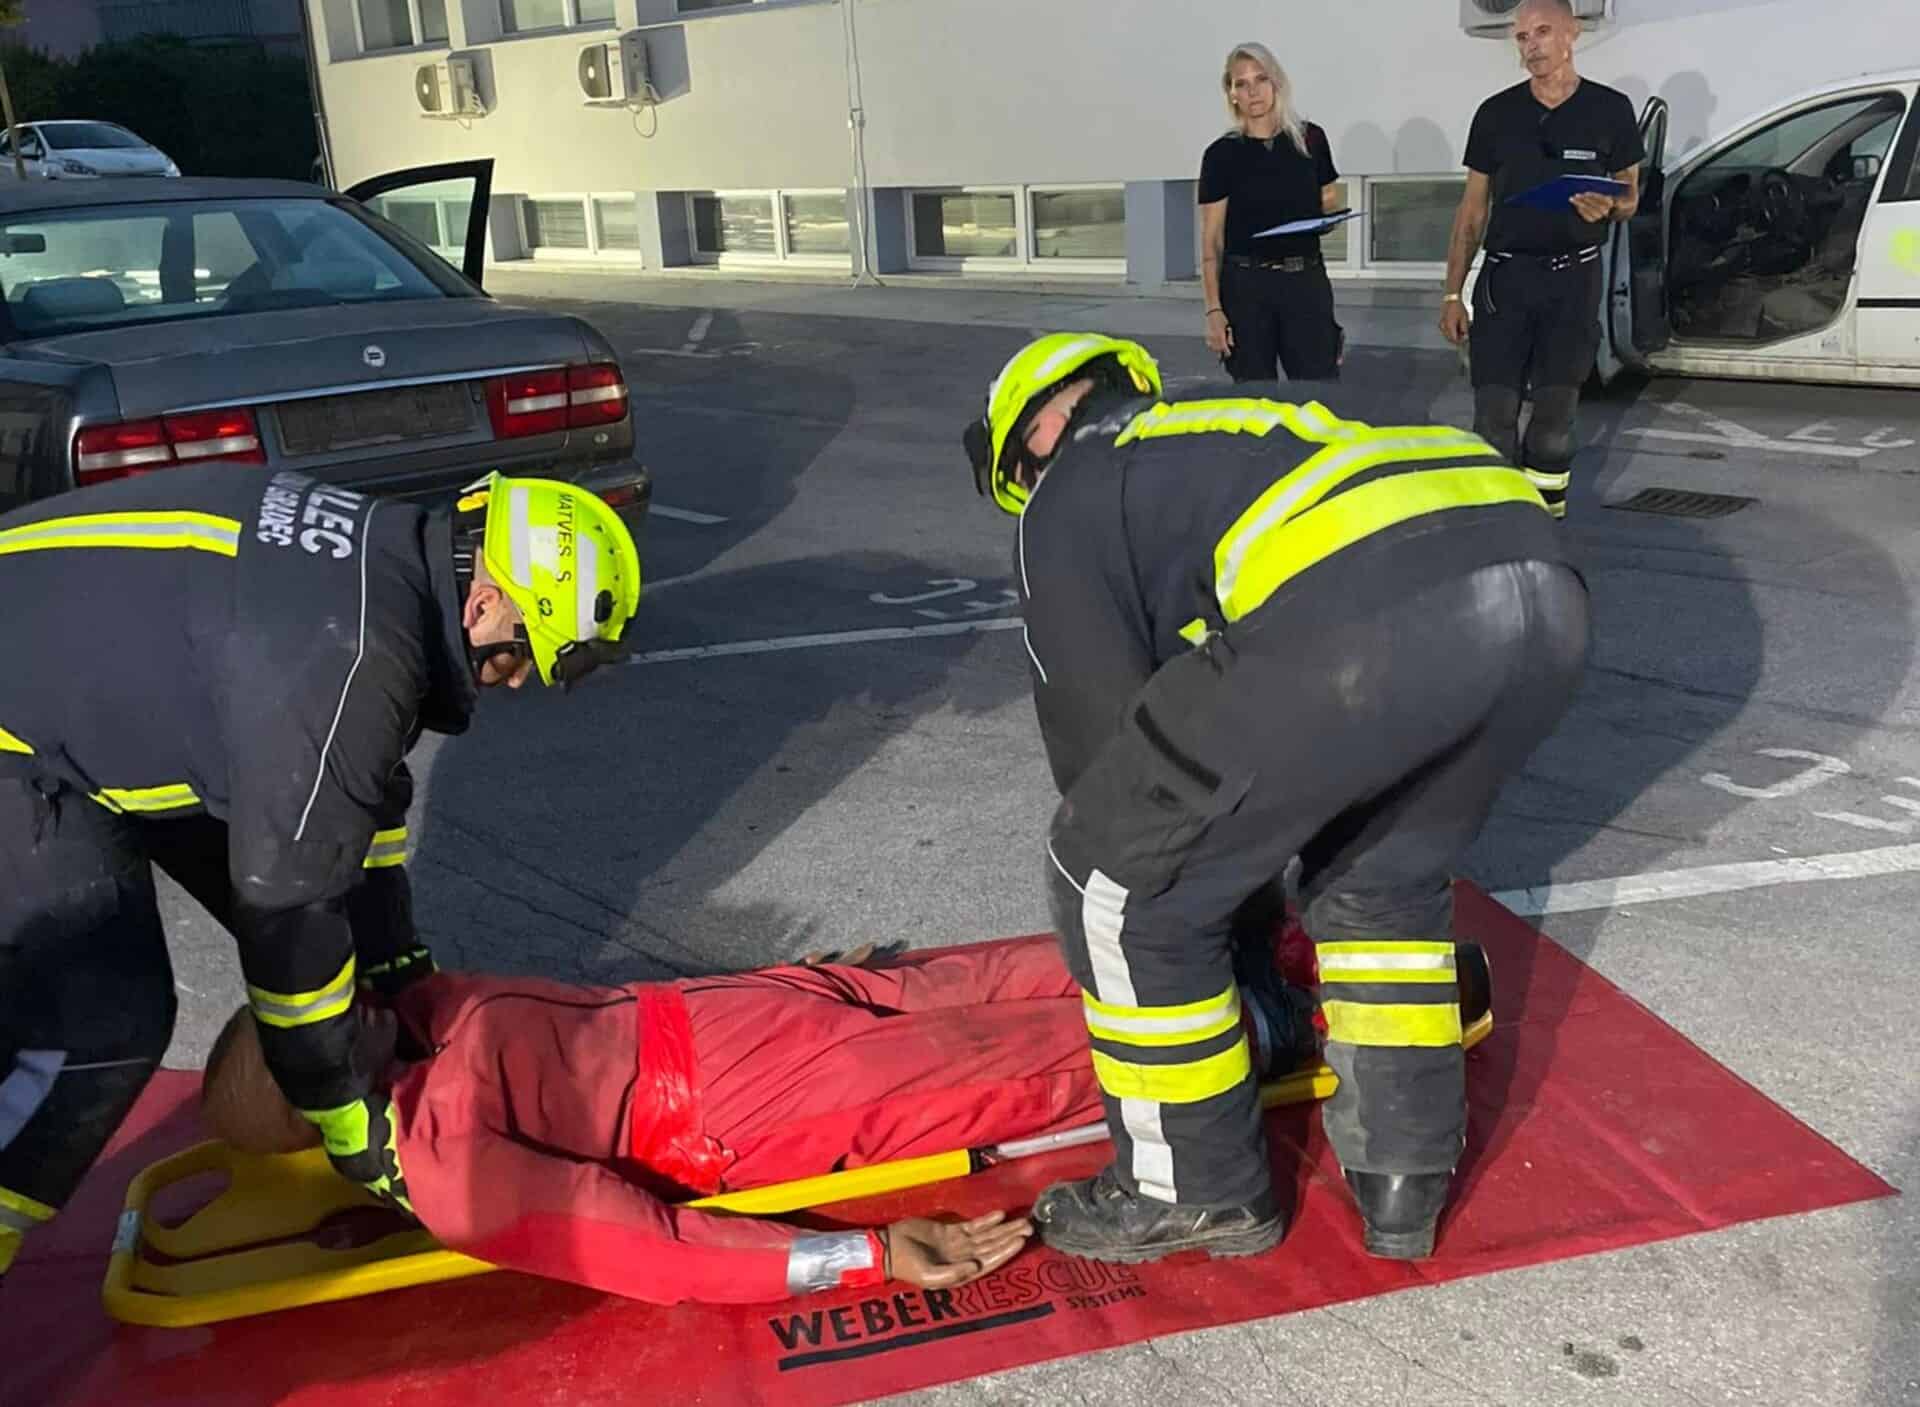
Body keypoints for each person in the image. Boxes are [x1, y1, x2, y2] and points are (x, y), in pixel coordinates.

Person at [960, 332, 1587, 1264]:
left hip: (1376, 596)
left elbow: (1105, 741)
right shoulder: (1220, 436)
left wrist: (1221, 917)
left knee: (1114, 879)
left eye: (1020, 466)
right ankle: (1405, 1181)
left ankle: (1191, 1186)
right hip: (1535, 567)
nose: (1026, 484)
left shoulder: (1070, 490)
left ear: (1044, 425)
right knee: (1383, 879)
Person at [0, 464, 641, 1281]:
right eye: (517, 660)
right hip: (15, 726)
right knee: (102, 1021)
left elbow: (351, 804)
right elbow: (288, 905)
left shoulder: (385, 567)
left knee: (319, 929)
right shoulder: (354, 657)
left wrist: (397, 966)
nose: (513, 682)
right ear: (483, 606)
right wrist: (351, 1125)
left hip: (61, 677)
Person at [199, 935, 1334, 1305]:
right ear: (320, 1109)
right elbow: (651, 1248)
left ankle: (1250, 945)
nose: (345, 1007)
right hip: (747, 1105)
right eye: (323, 1032)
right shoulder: (449, 1166)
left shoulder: (412, 1015)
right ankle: (1285, 1020)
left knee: (1024, 964)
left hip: (740, 1008)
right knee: (1020, 1062)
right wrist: (869, 1252)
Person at [1440, 0, 1645, 520]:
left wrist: (1612, 206)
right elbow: (1471, 212)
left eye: (1542, 32)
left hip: (1573, 280)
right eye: (1522, 36)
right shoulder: (1495, 114)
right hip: (1505, 280)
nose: (1531, 45)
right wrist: (1451, 293)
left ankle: (1545, 521)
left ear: (1571, 34)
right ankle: (1493, 522)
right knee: (1494, 419)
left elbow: (1630, 196)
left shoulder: (1611, 110)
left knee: (1554, 427)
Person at [1199, 42, 1345, 384]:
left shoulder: (1310, 139)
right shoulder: (1222, 155)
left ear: (1276, 83)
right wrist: (1214, 310)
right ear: (1231, 94)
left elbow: (1329, 199)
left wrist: (1325, 216)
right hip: (1246, 288)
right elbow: (1211, 241)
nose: (1253, 91)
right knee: (1255, 402)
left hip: (1305, 282)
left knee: (1318, 396)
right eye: (1242, 84)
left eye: (1261, 79)